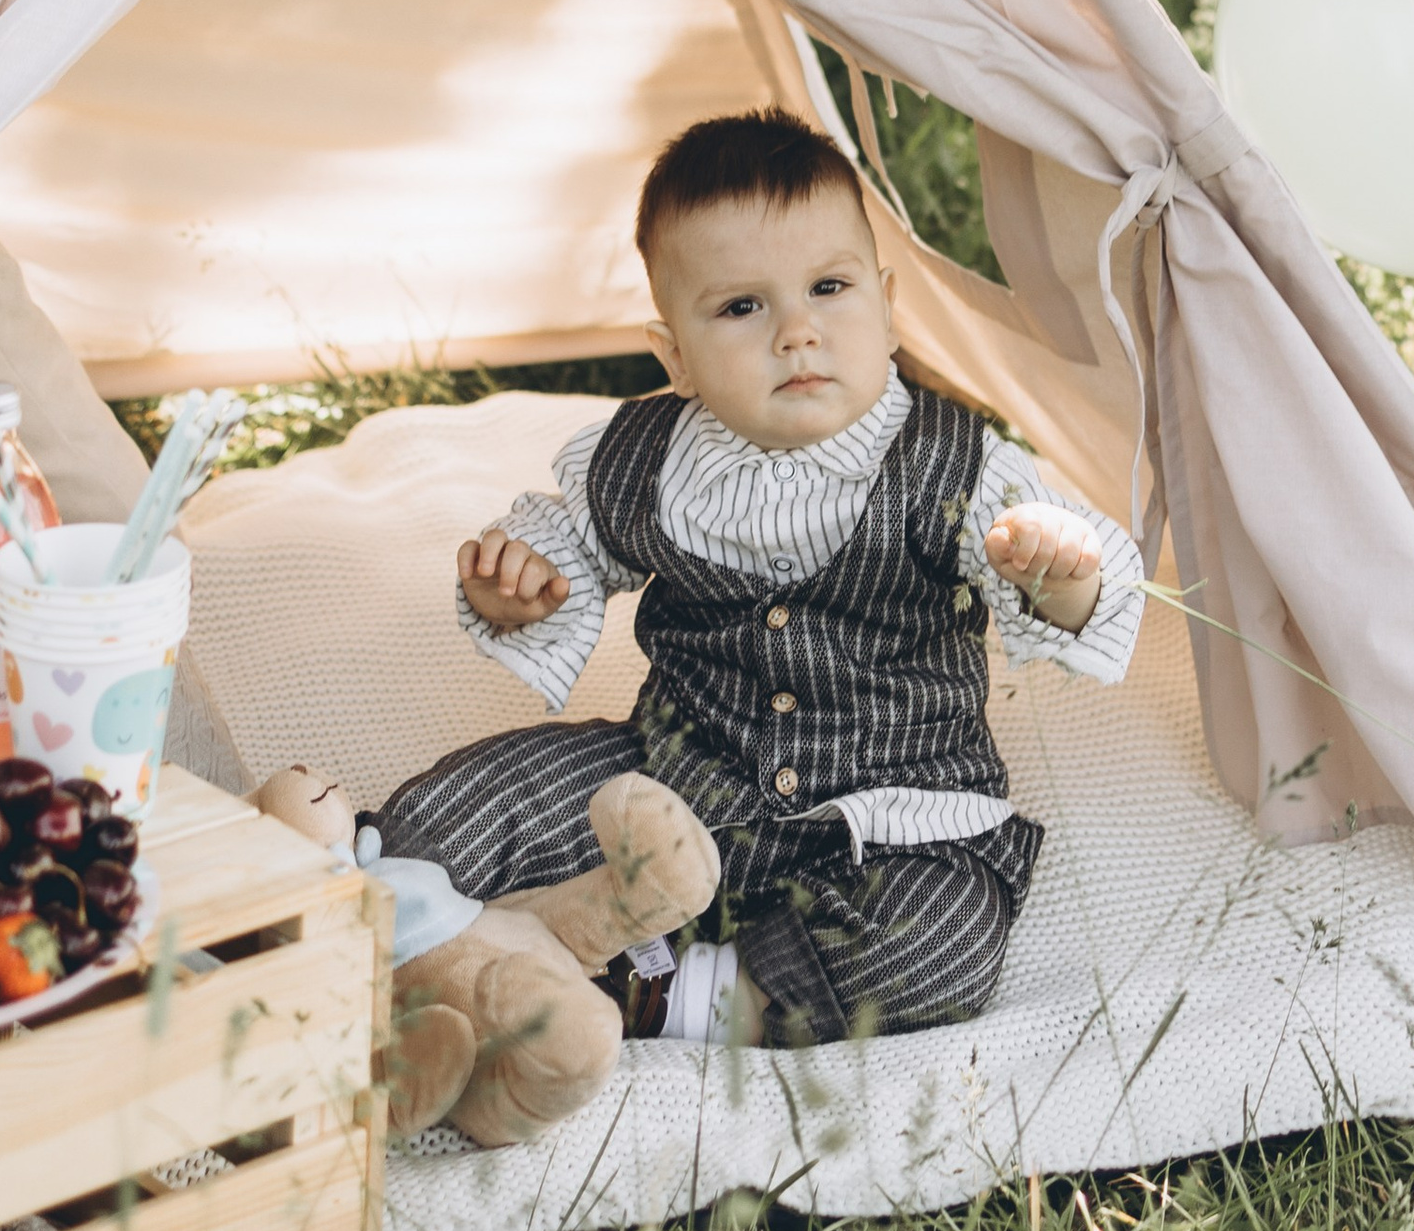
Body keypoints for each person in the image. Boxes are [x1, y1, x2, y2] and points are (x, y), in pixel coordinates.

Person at [365, 106, 1143, 1048]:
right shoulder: (648, 459)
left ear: (889, 304)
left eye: (829, 288)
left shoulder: (954, 463)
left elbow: (1069, 583)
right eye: (743, 307)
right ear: (675, 357)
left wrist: (1058, 578)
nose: (797, 333)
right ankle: (380, 920)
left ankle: (666, 993)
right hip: (678, 772)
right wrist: (522, 586)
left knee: (938, 943)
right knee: (460, 805)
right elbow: (569, 544)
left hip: (890, 815)